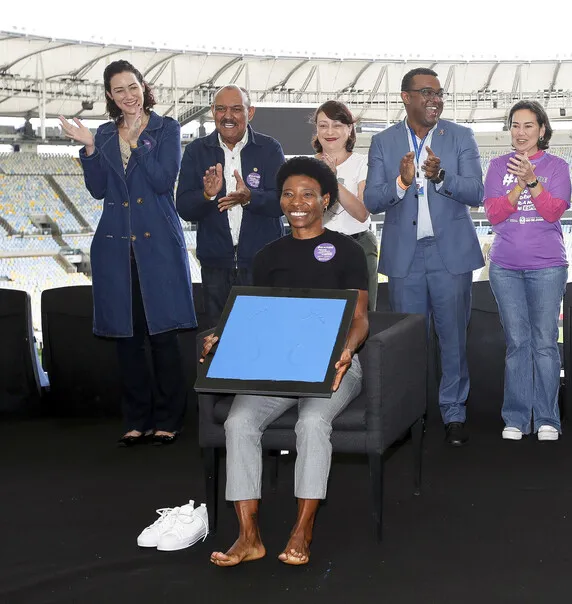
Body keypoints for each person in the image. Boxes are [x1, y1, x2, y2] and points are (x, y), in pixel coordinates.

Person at [202, 156, 369, 567]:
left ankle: (302, 529)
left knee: (312, 423)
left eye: (308, 194)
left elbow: (361, 318)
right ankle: (248, 536)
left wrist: (346, 352)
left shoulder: (348, 250)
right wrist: (223, 338)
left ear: (325, 200)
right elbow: (252, 319)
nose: (297, 202)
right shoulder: (265, 256)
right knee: (238, 421)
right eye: (289, 194)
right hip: (275, 367)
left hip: (333, 365)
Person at [58, 60, 195, 446]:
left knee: (164, 338)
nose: (128, 96)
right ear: (109, 96)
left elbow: (162, 180)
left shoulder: (166, 129)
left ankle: (169, 418)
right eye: (119, 90)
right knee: (128, 338)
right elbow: (99, 190)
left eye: (132, 87)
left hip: (159, 248)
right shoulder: (102, 134)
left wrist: (136, 142)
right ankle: (137, 419)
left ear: (143, 86)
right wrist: (88, 147)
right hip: (115, 248)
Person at [364, 68, 484, 446]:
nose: (435, 99)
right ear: (406, 97)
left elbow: (476, 192)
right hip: (405, 258)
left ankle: (454, 413)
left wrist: (442, 177)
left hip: (450, 255)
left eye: (439, 93)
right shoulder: (383, 142)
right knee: (407, 344)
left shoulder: (461, 136)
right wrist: (401, 183)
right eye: (426, 92)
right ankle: (410, 415)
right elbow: (371, 200)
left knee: (453, 339)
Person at [483, 101, 571, 441]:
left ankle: (548, 418)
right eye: (515, 126)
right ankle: (517, 418)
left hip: (547, 266)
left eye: (528, 126)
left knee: (545, 343)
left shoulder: (557, 166)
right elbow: (493, 215)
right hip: (505, 266)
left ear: (542, 130)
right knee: (517, 343)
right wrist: (518, 184)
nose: (521, 133)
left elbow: (552, 212)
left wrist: (533, 180)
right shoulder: (496, 166)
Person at [177, 85, 285, 327]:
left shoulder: (269, 149)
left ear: (251, 112)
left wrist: (250, 197)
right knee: (218, 338)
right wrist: (206, 195)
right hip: (215, 266)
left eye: (236, 109)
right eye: (221, 109)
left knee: (264, 334)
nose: (228, 116)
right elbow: (183, 207)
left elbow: (282, 202)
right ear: (212, 111)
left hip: (261, 265)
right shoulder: (196, 151)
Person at [312, 100, 378, 310]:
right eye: (323, 125)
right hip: (318, 249)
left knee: (361, 317)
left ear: (350, 129)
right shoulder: (306, 165)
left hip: (358, 246)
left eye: (337, 125)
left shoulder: (362, 163)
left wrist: (332, 179)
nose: (330, 131)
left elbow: (362, 213)